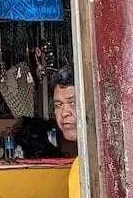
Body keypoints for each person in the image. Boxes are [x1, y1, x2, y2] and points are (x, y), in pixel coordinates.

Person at [52, 65, 80, 198]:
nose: (64, 113)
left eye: (73, 103)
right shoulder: (78, 166)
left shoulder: (108, 162)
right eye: (58, 105)